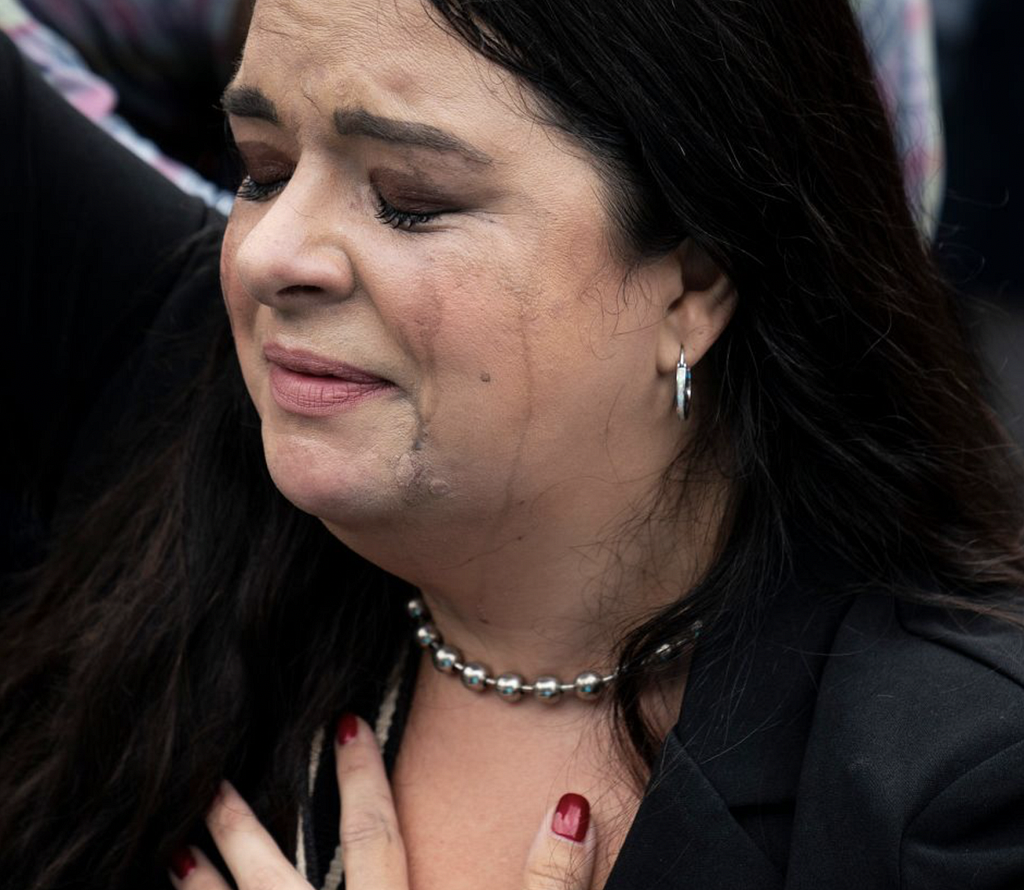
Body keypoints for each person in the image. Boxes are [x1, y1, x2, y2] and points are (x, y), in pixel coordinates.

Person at [0, 2, 1022, 890]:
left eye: (410, 199)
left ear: (694, 278)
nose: (268, 252)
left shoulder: (959, 783)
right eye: (262, 169)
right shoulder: (180, 420)